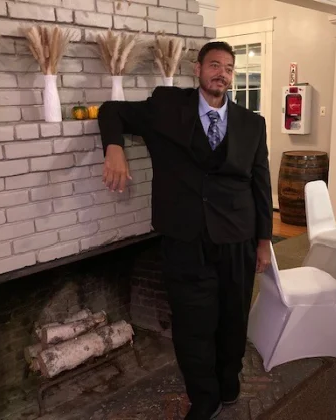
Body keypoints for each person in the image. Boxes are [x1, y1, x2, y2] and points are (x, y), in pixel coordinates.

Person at [98, 41, 273, 420]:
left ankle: (228, 379)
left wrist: (264, 242)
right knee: (192, 324)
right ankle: (204, 397)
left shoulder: (252, 124)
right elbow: (111, 110)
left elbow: (261, 185)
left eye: (228, 68)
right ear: (198, 69)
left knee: (233, 317)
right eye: (215, 65)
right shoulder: (166, 107)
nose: (222, 73)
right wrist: (113, 147)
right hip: (184, 238)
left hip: (237, 239)